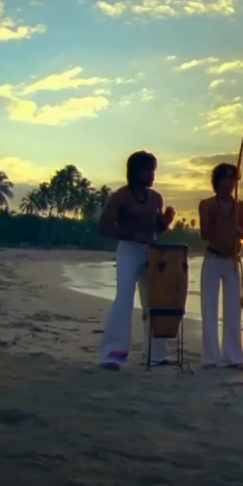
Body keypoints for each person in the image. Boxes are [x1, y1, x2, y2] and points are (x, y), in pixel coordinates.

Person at [96, 151, 176, 370]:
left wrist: (166, 222)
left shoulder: (156, 198)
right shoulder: (121, 196)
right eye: (148, 170)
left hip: (151, 251)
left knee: (155, 302)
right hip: (129, 250)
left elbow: (156, 228)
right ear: (136, 171)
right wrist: (131, 235)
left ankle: (156, 355)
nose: (152, 175)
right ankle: (113, 354)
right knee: (124, 299)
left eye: (154, 170)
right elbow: (104, 226)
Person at [198, 163, 243, 370]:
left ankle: (234, 357)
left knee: (233, 310)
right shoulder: (207, 205)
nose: (230, 185)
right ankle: (210, 357)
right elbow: (205, 234)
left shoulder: (240, 205)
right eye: (227, 180)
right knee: (209, 308)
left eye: (233, 181)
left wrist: (238, 231)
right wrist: (215, 220)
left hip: (232, 262)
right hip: (212, 259)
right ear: (218, 182)